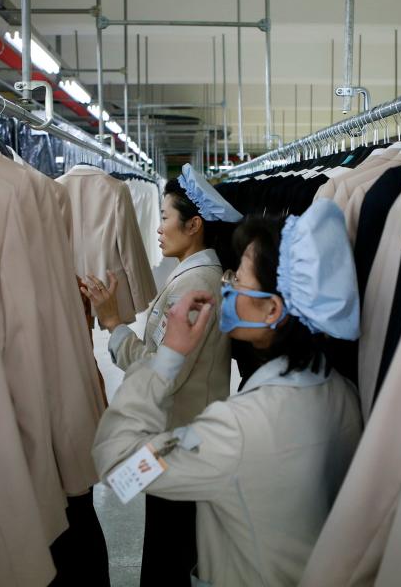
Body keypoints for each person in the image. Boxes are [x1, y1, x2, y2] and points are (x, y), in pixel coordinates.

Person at [92, 199, 365, 587]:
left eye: (239, 281)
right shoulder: (342, 393)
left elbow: (122, 470)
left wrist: (168, 359)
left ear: (272, 309)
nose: (227, 285)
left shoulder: (235, 430)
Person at [81, 163, 242, 587]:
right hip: (181, 438)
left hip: (183, 442)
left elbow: (161, 371)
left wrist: (114, 323)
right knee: (173, 550)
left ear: (194, 225)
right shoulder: (193, 276)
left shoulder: (196, 286)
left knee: (169, 557)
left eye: (166, 218)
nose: (159, 228)